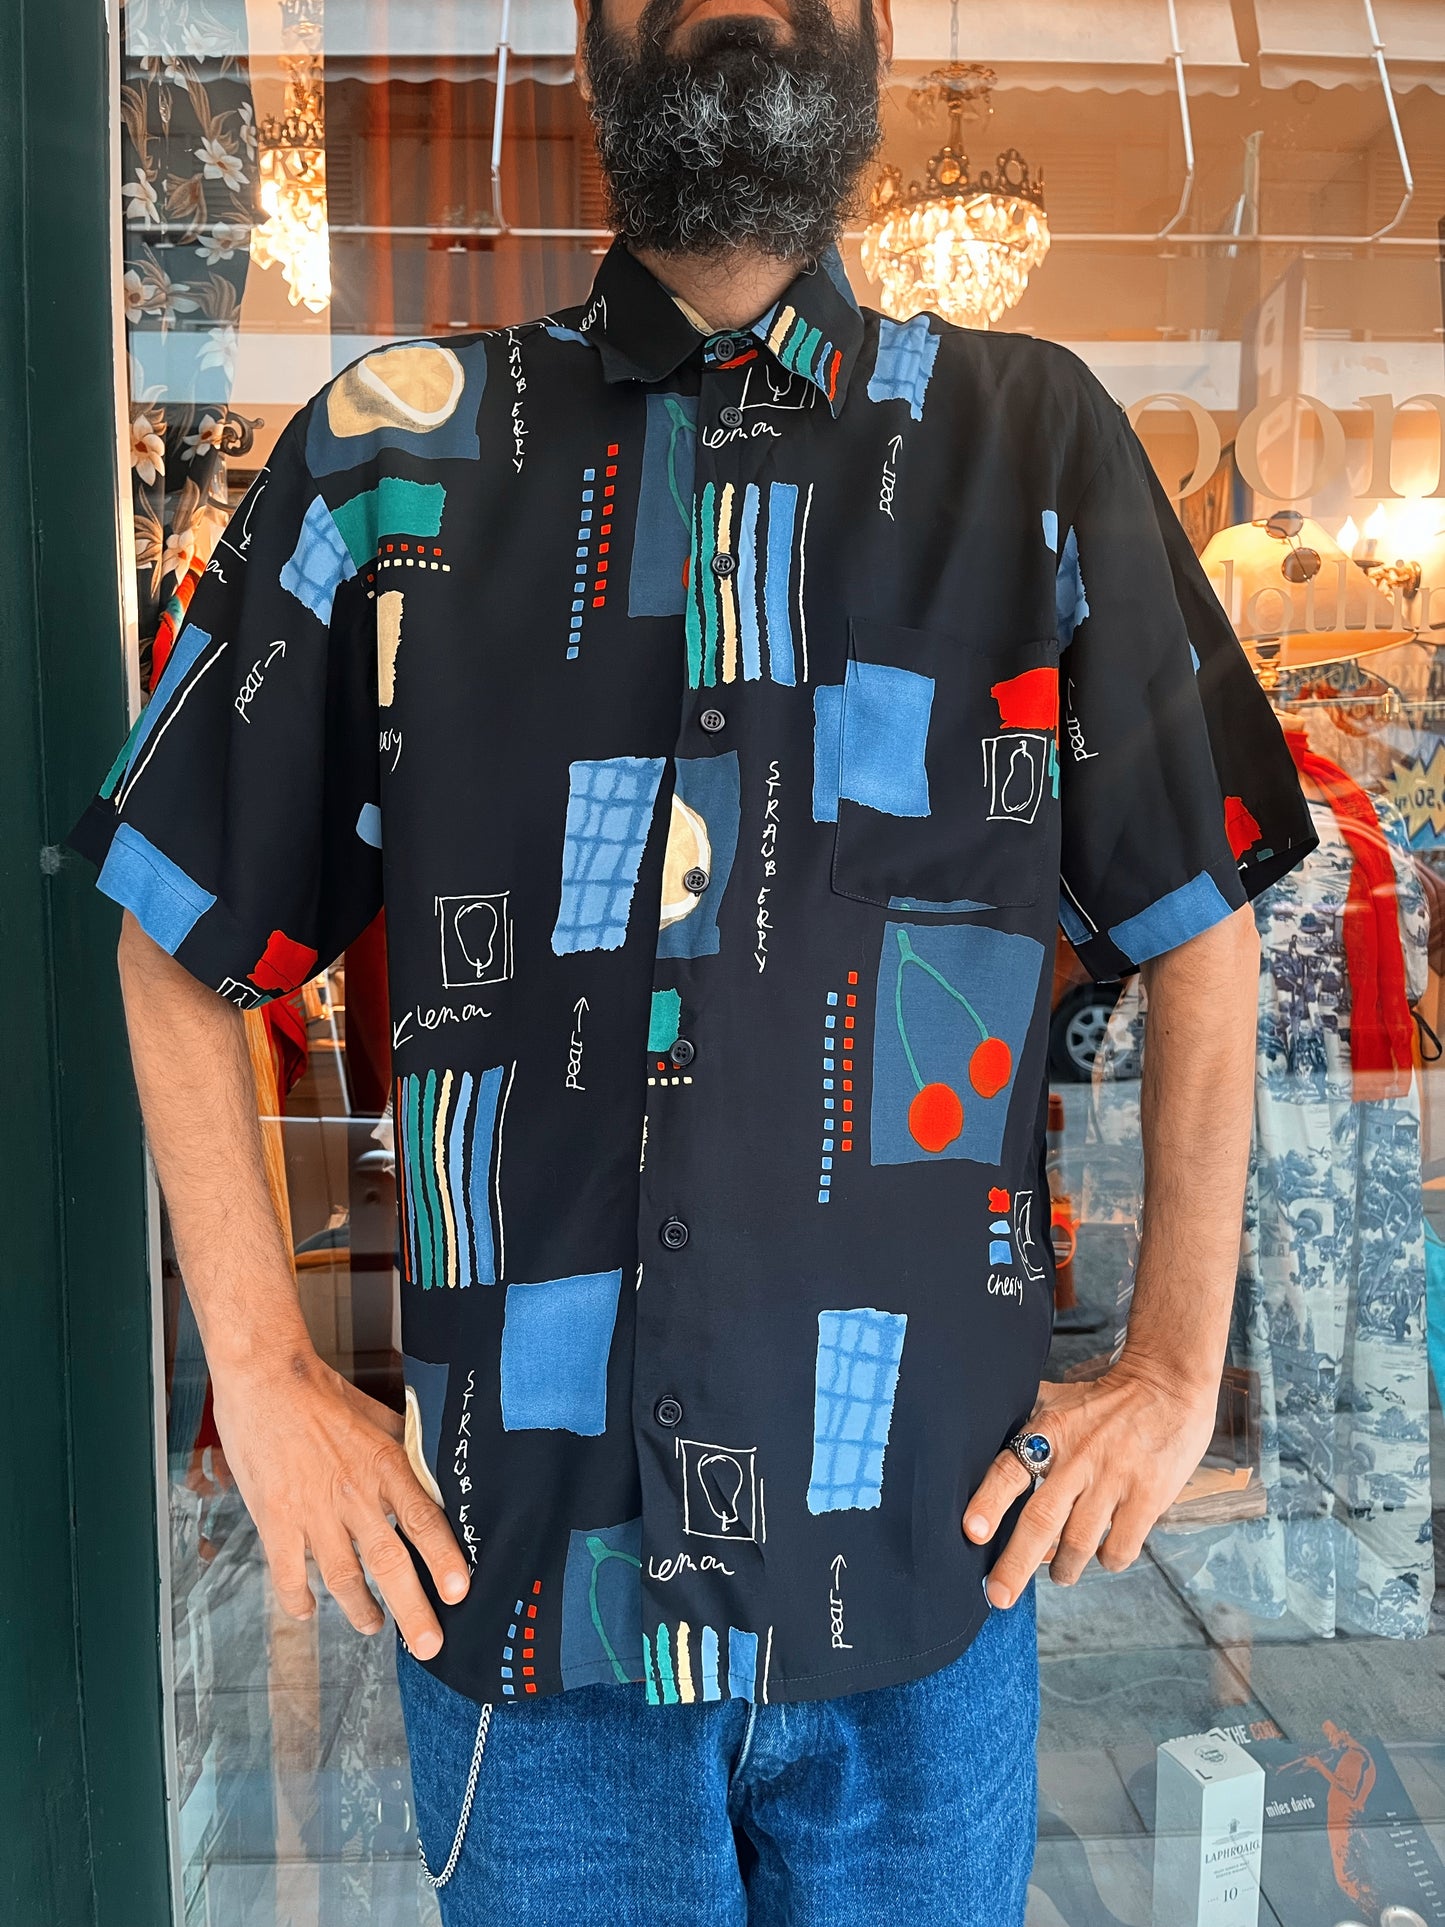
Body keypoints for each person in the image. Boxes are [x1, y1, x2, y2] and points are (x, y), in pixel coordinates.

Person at [67, 0, 1317, 1919]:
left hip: (920, 1588)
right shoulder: (395, 460)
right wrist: (260, 1368)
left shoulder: (1031, 447)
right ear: (591, 33)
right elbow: (176, 925)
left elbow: (1201, 929)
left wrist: (1169, 1367)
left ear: (874, 27)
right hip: (523, 1609)